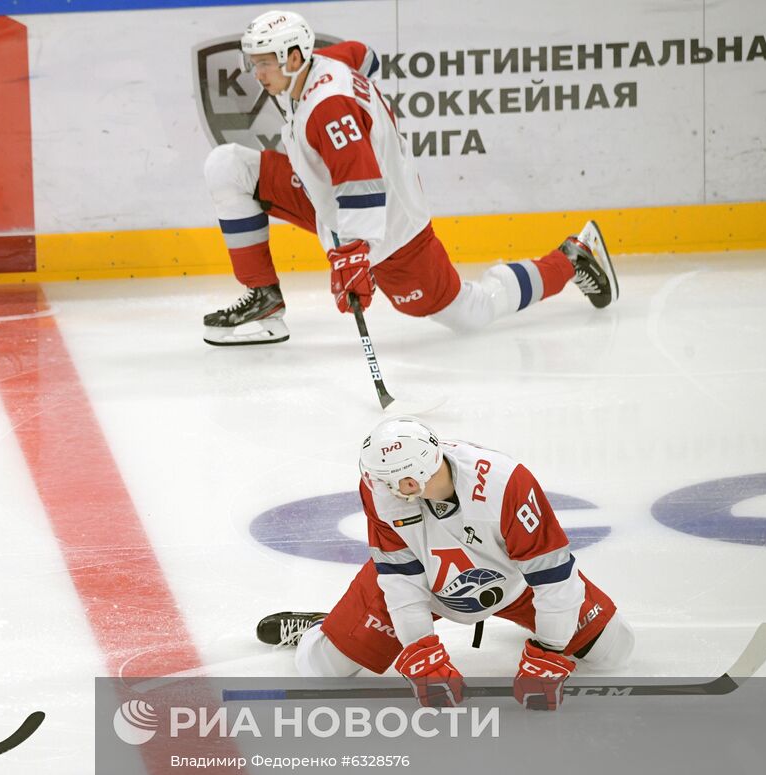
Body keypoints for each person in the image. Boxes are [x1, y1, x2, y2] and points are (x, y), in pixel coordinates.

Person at [201, 10, 618, 346]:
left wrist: (355, 255)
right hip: (331, 196)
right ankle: (266, 302)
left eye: (263, 63)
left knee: (469, 313)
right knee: (227, 167)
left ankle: (572, 257)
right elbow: (367, 56)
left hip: (393, 228)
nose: (256, 73)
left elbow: (363, 186)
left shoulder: (329, 110)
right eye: (252, 63)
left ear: (294, 57)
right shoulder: (329, 61)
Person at [258, 418, 635, 710]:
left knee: (614, 650)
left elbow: (554, 578)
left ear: (410, 482)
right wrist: (420, 647)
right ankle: (324, 627)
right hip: (424, 584)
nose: (374, 485)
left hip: (514, 582)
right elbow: (401, 577)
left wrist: (549, 649)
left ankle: (540, 624)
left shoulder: (506, 485)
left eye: (387, 480)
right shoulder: (378, 487)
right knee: (321, 669)